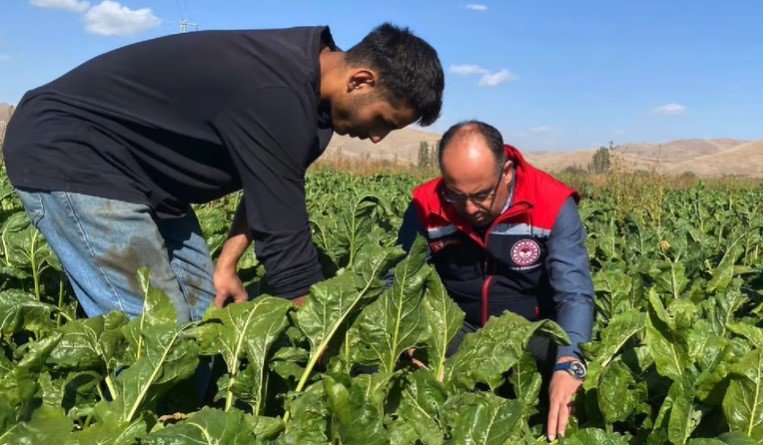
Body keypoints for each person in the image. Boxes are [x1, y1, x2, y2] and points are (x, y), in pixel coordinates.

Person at [2, 23, 445, 323]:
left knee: (202, 314)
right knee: (151, 337)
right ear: (362, 80)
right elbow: (286, 247)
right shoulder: (277, 91)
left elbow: (271, 190)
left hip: (149, 178)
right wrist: (325, 340)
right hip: (73, 153)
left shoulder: (312, 97)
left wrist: (227, 264)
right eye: (385, 120)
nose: (378, 138)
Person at [397, 120, 595, 441]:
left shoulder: (552, 204)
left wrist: (570, 362)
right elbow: (399, 279)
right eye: (456, 195)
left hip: (528, 334)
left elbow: (574, 295)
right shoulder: (426, 205)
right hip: (457, 330)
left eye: (481, 195)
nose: (470, 208)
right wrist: (404, 334)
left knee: (581, 389)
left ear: (506, 172)